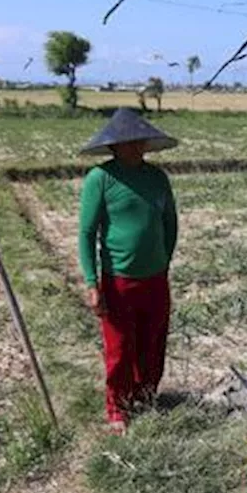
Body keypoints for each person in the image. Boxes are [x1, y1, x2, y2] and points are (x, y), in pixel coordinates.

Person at [78, 108, 180, 433]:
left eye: (141, 142)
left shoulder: (157, 178)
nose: (137, 148)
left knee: (153, 341)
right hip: (118, 280)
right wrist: (93, 283)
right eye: (130, 143)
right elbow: (86, 233)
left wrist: (163, 261)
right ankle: (117, 408)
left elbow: (170, 223)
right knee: (120, 348)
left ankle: (145, 396)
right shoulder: (101, 178)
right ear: (114, 146)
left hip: (155, 279)